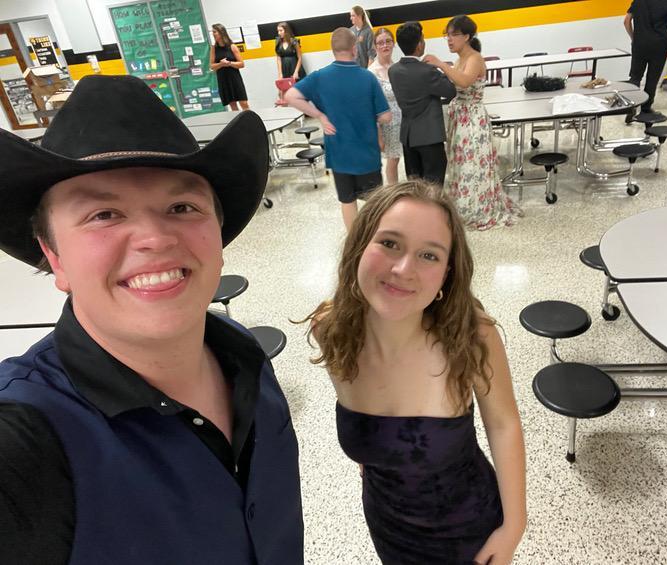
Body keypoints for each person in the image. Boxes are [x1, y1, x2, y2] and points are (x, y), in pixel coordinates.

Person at [0, 75, 303, 564]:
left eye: (182, 206)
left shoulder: (244, 353)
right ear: (54, 256)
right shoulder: (25, 440)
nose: (156, 238)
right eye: (103, 214)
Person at [302, 180, 527, 564]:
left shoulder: (469, 334)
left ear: (446, 275)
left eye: (429, 255)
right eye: (390, 243)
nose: (404, 269)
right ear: (359, 246)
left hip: (468, 532)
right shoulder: (331, 329)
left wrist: (513, 528)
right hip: (387, 525)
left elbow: (504, 424)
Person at [285, 28, 391, 230]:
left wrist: (320, 116)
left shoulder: (319, 77)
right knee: (374, 202)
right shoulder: (367, 77)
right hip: (367, 153)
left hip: (339, 153)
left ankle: (353, 239)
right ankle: (373, 237)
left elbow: (290, 96)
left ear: (332, 50)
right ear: (355, 49)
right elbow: (386, 116)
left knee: (347, 201)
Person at [424, 15, 522, 230]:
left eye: (454, 35)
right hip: (460, 117)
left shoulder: (475, 58)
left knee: (473, 163)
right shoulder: (460, 59)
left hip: (472, 119)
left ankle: (478, 209)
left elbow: (465, 81)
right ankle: (463, 206)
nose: (449, 39)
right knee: (460, 163)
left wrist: (440, 64)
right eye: (447, 35)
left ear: (467, 36)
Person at [389, 21, 456, 186]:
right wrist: (440, 66)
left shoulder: (393, 71)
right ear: (419, 45)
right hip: (429, 136)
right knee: (433, 187)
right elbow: (450, 90)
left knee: (415, 186)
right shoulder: (427, 71)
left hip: (408, 138)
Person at [624, 0, 667, 115]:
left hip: (639, 44)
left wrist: (634, 38)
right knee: (652, 79)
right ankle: (646, 109)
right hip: (659, 45)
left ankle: (630, 108)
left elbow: (626, 21)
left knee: (635, 77)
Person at [368, 28, 402, 184]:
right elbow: (370, 106)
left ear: (393, 43)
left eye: (388, 41)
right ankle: (393, 192)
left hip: (402, 121)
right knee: (392, 160)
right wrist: (378, 134)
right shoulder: (371, 72)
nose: (385, 45)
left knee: (398, 158)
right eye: (380, 43)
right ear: (375, 46)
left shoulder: (397, 66)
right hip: (386, 124)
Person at [210, 23, 249, 110]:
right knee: (232, 104)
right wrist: (221, 64)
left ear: (221, 32)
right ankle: (238, 119)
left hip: (234, 77)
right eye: (212, 32)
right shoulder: (213, 48)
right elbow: (212, 66)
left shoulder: (232, 46)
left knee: (244, 103)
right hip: (223, 79)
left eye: (215, 32)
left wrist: (229, 63)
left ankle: (250, 118)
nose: (213, 34)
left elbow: (241, 64)